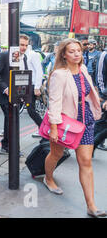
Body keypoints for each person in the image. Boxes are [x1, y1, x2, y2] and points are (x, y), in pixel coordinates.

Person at [44, 38, 105, 217]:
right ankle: (48, 178)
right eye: (71, 51)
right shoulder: (59, 74)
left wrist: (96, 102)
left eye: (78, 50)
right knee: (56, 154)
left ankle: (91, 205)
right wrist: (54, 127)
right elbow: (54, 102)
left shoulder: (83, 69)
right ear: (64, 54)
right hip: (66, 121)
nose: (76, 54)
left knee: (85, 161)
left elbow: (87, 91)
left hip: (85, 119)